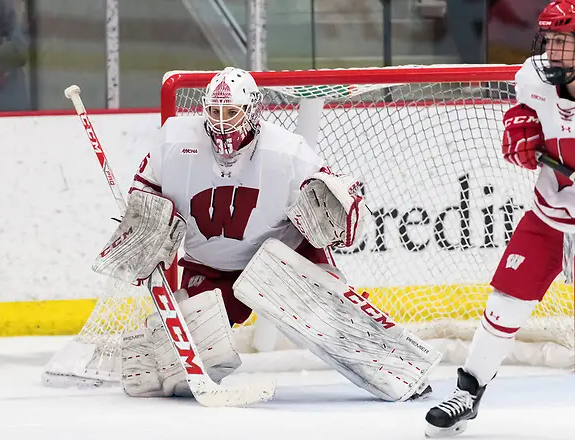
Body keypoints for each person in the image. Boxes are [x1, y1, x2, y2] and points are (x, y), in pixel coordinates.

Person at [94, 67, 439, 401]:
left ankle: (400, 368)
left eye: (231, 111)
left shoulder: (286, 152)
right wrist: (144, 228)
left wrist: (339, 212)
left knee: (334, 321)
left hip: (281, 257)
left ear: (252, 110)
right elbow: (146, 191)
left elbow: (334, 205)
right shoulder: (174, 140)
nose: (221, 120)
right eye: (214, 110)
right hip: (211, 265)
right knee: (174, 358)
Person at [425, 1, 575, 436]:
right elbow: (526, 114)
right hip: (547, 216)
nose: (553, 51)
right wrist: (518, 127)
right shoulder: (533, 77)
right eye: (550, 40)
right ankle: (467, 394)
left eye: (565, 42)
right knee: (503, 305)